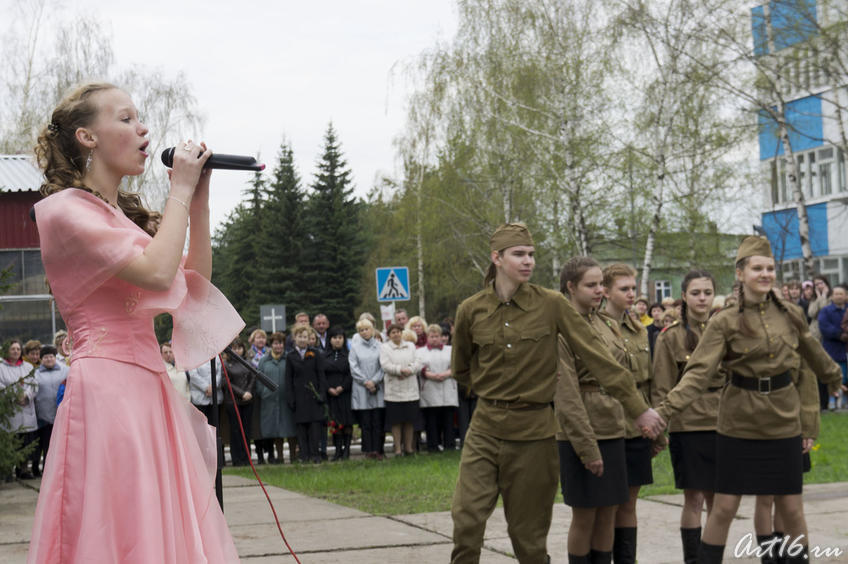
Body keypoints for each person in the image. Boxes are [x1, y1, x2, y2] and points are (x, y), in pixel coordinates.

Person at [27, 82, 243, 562]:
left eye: (139, 117)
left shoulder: (118, 217)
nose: (142, 128)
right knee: (119, 523)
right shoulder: (64, 212)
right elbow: (157, 272)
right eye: (125, 118)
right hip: (106, 389)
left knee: (159, 528)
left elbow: (192, 281)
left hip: (148, 389)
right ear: (87, 136)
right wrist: (180, 191)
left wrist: (198, 201)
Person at [450, 223, 664, 564]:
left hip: (534, 434)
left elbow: (599, 358)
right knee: (466, 524)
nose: (528, 261)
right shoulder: (471, 310)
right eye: (519, 254)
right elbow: (462, 368)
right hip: (485, 430)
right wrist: (496, 391)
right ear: (497, 258)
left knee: (529, 539)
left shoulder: (550, 305)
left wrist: (638, 408)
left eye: (531, 255)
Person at [655, 236, 842, 564]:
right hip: (738, 423)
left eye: (770, 268)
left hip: (783, 423)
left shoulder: (790, 315)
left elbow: (815, 358)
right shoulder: (724, 321)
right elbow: (697, 373)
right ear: (740, 273)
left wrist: (836, 379)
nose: (766, 274)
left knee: (791, 508)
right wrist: (664, 411)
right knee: (725, 507)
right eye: (758, 268)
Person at [555, 257, 653, 564]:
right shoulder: (560, 329)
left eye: (601, 284)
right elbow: (567, 395)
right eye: (591, 285)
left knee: (609, 512)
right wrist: (587, 448)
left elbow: (622, 377)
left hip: (613, 428)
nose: (599, 290)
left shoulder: (605, 323)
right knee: (584, 516)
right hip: (581, 432)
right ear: (571, 287)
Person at [652, 270, 723, 564]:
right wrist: (659, 428)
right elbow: (661, 387)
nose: (702, 298)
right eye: (696, 293)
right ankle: (693, 560)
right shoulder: (671, 338)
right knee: (693, 499)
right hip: (689, 425)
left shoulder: (724, 330)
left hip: (724, 423)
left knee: (718, 501)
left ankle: (712, 558)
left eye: (707, 292)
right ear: (684, 297)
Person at [601, 263, 663, 564]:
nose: (631, 294)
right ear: (606, 291)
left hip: (637, 427)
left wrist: (656, 427)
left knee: (630, 503)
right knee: (608, 504)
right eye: (623, 289)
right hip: (608, 423)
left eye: (633, 288)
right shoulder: (592, 327)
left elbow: (648, 382)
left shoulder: (639, 330)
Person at [285, 324, 327, 463]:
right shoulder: (290, 357)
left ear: (309, 339)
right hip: (299, 397)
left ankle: (315, 454)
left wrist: (321, 393)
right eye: (299, 336)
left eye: (305, 337)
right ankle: (304, 455)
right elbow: (288, 379)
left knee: (315, 428)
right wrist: (291, 398)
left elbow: (321, 375)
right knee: (301, 428)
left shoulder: (315, 354)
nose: (302, 340)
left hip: (314, 397)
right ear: (294, 338)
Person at [380, 323, 422, 456]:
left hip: (410, 390)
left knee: (409, 421)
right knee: (396, 421)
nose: (396, 334)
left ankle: (409, 448)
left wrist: (409, 370)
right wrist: (399, 371)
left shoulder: (410, 346)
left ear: (402, 333)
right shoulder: (385, 348)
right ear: (389, 335)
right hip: (394, 391)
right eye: (393, 332)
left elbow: (418, 362)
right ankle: (398, 449)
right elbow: (385, 365)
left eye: (398, 331)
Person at [256, 332, 297, 464]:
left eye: (280, 343)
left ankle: (293, 456)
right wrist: (263, 392)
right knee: (275, 429)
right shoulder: (264, 361)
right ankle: (279, 457)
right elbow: (259, 379)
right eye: (275, 343)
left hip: (286, 400)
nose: (278, 346)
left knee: (290, 428)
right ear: (271, 344)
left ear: (284, 344)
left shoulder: (289, 358)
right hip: (269, 401)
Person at [416, 324, 458, 452]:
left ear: (441, 337)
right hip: (430, 388)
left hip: (447, 387)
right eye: (432, 336)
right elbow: (418, 367)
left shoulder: (450, 350)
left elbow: (456, 365)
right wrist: (429, 374)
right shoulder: (420, 352)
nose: (434, 339)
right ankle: (432, 446)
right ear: (427, 337)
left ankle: (449, 446)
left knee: (448, 420)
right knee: (431, 420)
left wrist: (446, 374)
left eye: (437, 336)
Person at [1, 339, 38, 480]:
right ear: (7, 351)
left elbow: (34, 384)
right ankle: (8, 471)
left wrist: (27, 395)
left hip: (26, 408)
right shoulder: (1, 367)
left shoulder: (28, 367)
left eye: (18, 349)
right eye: (13, 349)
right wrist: (14, 396)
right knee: (12, 442)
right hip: (10, 410)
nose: (16, 351)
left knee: (25, 442)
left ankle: (23, 470)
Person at [350, 318, 386, 459]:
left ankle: (378, 449)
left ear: (372, 330)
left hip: (377, 387)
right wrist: (366, 382)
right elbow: (354, 367)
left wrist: (375, 381)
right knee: (365, 422)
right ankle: (368, 450)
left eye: (366, 329)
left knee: (377, 421)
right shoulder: (355, 347)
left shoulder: (380, 346)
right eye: (361, 330)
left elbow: (383, 365)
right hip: (362, 388)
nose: (364, 332)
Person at [32, 345, 68, 478]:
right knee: (45, 445)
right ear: (41, 359)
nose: (49, 359)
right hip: (43, 416)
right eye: (45, 357)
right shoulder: (36, 374)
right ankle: (46, 471)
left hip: (61, 414)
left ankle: (58, 471)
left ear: (55, 357)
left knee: (60, 445)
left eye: (51, 356)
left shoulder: (65, 370)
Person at [323, 326, 354, 460]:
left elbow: (351, 373)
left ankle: (346, 450)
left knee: (346, 422)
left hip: (345, 393)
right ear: (330, 340)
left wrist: (342, 387)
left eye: (340, 338)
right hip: (331, 394)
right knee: (335, 422)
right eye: (334, 338)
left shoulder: (349, 355)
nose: (337, 340)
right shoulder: (324, 356)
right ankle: (337, 450)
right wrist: (328, 388)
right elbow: (321, 375)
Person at [818, 284, 848, 411]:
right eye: (836, 294)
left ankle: (844, 401)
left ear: (846, 296)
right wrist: (840, 335)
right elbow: (824, 326)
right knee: (832, 375)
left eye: (841, 294)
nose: (839, 296)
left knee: (845, 376)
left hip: (845, 349)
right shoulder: (826, 311)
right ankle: (831, 400)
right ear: (831, 296)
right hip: (831, 348)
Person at [189, 354, 223, 423]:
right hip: (200, 397)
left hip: (215, 398)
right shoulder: (193, 356)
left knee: (215, 424)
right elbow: (193, 375)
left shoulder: (216, 356)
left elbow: (219, 373)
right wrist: (206, 388)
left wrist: (213, 386)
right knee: (201, 426)